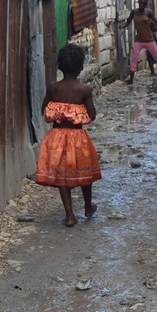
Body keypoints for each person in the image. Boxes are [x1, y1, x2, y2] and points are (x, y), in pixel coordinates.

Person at [36, 44, 100, 227]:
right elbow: (92, 115)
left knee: (62, 174)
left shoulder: (53, 87)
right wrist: (76, 111)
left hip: (56, 137)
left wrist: (60, 111)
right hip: (78, 137)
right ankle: (88, 206)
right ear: (81, 67)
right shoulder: (84, 90)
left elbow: (43, 109)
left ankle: (70, 215)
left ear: (59, 67)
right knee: (84, 171)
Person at [124, 0, 157, 83]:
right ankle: (131, 79)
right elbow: (128, 21)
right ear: (138, 3)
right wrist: (123, 26)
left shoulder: (148, 12)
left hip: (149, 40)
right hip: (139, 40)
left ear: (146, 4)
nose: (142, 6)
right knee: (134, 59)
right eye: (140, 4)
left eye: (144, 4)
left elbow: (155, 20)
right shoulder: (134, 12)